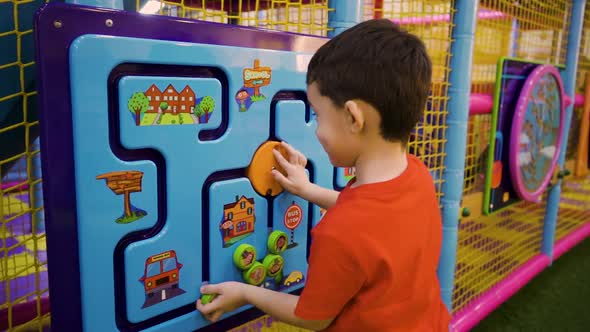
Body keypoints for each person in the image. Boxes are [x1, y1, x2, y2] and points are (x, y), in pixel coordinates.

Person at [196, 18, 451, 331]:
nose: (316, 129)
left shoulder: (340, 232)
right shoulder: (416, 174)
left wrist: (246, 292)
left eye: (318, 114)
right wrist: (308, 190)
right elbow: (376, 222)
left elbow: (313, 316)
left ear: (353, 117)